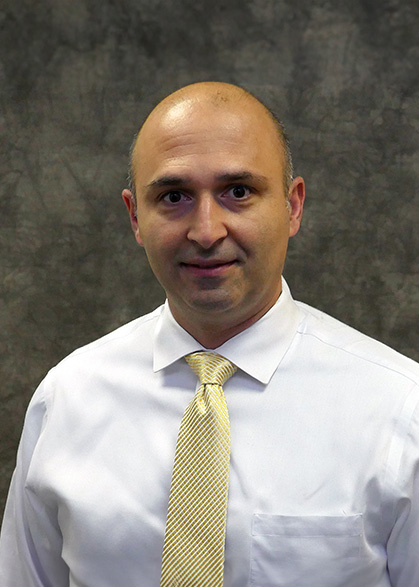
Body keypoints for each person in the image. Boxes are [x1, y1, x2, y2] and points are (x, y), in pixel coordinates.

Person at [0, 81, 418, 587]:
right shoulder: (66, 400)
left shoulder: (401, 409)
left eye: (238, 192)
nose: (205, 231)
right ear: (135, 216)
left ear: (293, 206)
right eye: (173, 197)